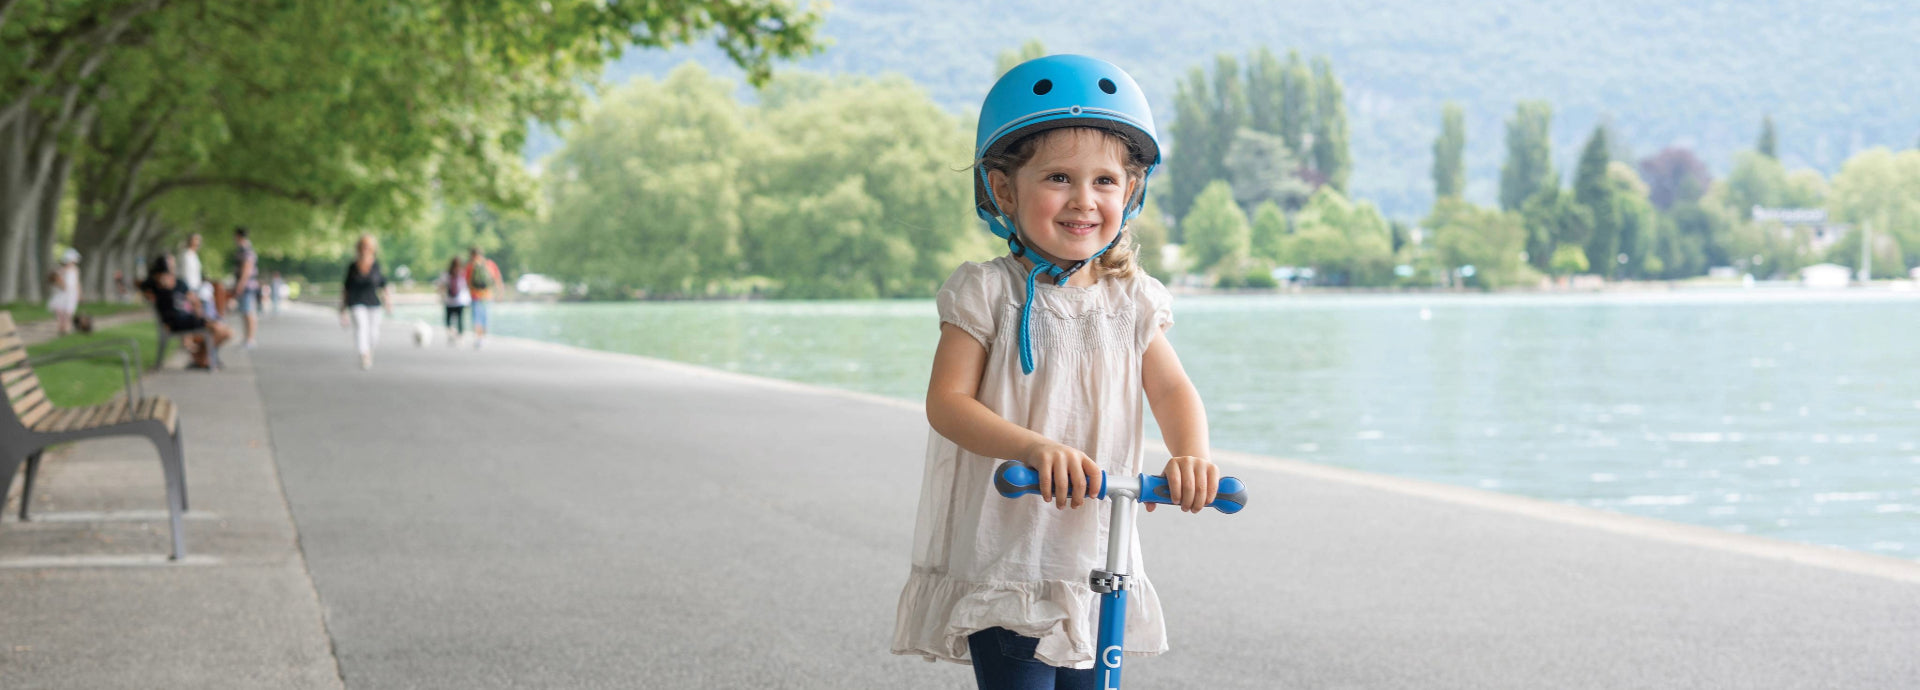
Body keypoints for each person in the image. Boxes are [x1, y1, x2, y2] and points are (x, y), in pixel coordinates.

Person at [891, 55, 1221, 689]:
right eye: (1060, 177)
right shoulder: (988, 293)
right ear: (1005, 190)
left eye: (1105, 180)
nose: (1084, 200)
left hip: (1097, 553)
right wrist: (1034, 448)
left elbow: (1174, 389)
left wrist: (1191, 455)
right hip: (1011, 555)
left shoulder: (1133, 301)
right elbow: (948, 403)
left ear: (1132, 191)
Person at [141, 256, 232, 368]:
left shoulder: (180, 283)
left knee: (226, 332)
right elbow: (146, 291)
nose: (172, 267)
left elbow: (194, 300)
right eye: (169, 264)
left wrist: (199, 311)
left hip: (188, 318)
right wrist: (160, 286)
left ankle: (200, 358)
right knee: (219, 330)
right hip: (175, 322)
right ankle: (201, 358)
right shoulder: (154, 283)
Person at [340, 234, 393, 370]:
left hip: (373, 303)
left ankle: (369, 350)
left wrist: (388, 302)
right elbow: (346, 288)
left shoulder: (376, 265)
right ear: (359, 248)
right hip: (356, 302)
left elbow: (383, 284)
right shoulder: (353, 267)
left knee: (373, 333)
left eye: (368, 247)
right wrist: (343, 309)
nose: (365, 249)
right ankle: (364, 354)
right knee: (361, 327)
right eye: (363, 247)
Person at [464, 245, 502, 349]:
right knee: (485, 317)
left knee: (476, 318)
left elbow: (467, 282)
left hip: (475, 295)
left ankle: (478, 338)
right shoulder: (489, 264)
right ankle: (484, 337)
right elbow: (497, 278)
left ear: (472, 255)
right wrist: (500, 293)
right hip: (487, 295)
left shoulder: (471, 266)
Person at [230, 226, 262, 348]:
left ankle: (250, 339)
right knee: (245, 312)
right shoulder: (242, 250)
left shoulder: (246, 251)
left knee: (249, 312)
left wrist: (240, 286)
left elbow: (246, 271)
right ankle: (247, 338)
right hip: (245, 285)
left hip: (247, 286)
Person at [45, 248, 82, 336]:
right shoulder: (60, 270)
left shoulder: (75, 270)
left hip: (71, 293)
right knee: (60, 310)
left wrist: (79, 293)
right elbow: (56, 280)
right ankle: (61, 326)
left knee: (69, 311)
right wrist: (61, 285)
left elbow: (77, 283)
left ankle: (66, 327)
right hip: (62, 293)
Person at [437, 257, 470, 345]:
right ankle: (459, 336)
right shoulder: (462, 274)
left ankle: (453, 334)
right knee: (459, 320)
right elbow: (465, 287)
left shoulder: (447, 274)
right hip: (459, 301)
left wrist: (441, 297)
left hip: (451, 301)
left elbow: (441, 286)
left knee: (449, 320)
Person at [180, 233, 210, 316]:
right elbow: (185, 273)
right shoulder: (186, 255)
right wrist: (188, 289)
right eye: (196, 240)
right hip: (190, 288)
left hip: (197, 286)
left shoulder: (194, 255)